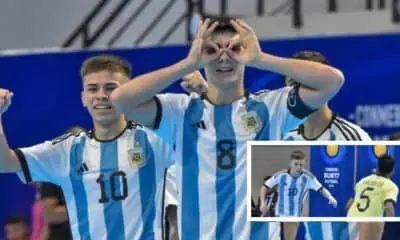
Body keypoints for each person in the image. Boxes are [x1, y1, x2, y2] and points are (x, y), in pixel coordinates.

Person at [110, 17, 344, 239]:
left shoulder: (271, 109)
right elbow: (121, 99)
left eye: (234, 49)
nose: (224, 57)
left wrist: (261, 59)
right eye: (212, 50)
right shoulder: (179, 113)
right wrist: (187, 64)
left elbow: (332, 81)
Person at [0, 55, 173, 239]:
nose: (101, 95)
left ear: (127, 94)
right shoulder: (67, 150)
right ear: (83, 98)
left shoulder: (155, 140)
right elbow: (5, 163)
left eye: (111, 87)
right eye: (92, 89)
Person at [283, 51, 371, 141]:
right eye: (293, 83)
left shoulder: (353, 138)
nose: (300, 92)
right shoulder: (282, 136)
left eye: (308, 82)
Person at [260, 150, 337, 240]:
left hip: (294, 216)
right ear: (290, 164)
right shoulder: (281, 175)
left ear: (304, 164)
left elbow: (321, 189)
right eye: (295, 164)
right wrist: (262, 203)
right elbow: (264, 187)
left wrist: (330, 197)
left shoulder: (308, 177)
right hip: (278, 214)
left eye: (301, 165)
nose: (298, 167)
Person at [347, 154, 398, 240]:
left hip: (352, 218)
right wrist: (391, 228)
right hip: (371, 221)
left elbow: (349, 204)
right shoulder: (390, 186)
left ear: (377, 168)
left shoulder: (363, 181)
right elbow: (389, 207)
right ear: (392, 171)